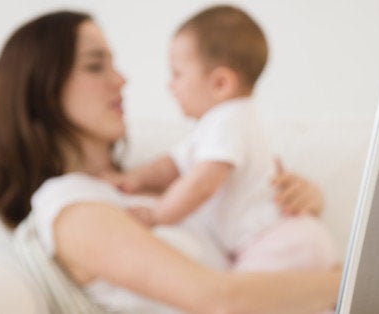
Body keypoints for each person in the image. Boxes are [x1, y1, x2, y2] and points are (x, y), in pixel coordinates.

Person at [0, 9, 341, 313]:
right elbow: (219, 300)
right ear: (43, 90)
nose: (121, 79)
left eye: (114, 64)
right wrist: (346, 280)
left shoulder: (148, 181)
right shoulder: (72, 205)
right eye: (95, 66)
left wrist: (299, 199)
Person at [103, 5, 339, 273]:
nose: (171, 86)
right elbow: (171, 165)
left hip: (277, 241)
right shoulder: (214, 126)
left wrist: (159, 214)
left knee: (246, 299)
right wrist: (134, 179)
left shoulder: (230, 120)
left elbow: (204, 182)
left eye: (177, 74)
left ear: (220, 84)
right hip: (284, 240)